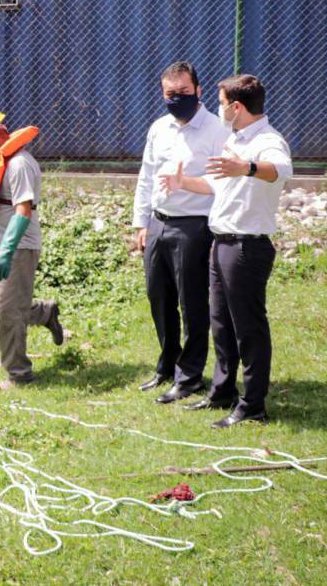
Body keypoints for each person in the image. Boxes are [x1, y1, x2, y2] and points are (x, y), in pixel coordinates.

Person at [160, 74, 292, 428]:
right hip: (222, 242)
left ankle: (253, 405)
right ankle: (222, 391)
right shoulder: (235, 139)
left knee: (248, 327)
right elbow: (215, 185)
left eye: (220, 103)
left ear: (236, 107)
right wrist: (181, 183)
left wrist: (246, 167)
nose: (217, 109)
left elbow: (281, 170)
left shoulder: (267, 140)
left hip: (247, 246)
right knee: (220, 322)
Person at [132, 61, 230, 404]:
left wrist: (186, 184)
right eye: (170, 94)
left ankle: (189, 377)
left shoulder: (217, 131)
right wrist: (141, 223)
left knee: (192, 303)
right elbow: (146, 177)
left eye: (184, 93)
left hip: (194, 225)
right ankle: (167, 365)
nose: (176, 99)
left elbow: (224, 182)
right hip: (159, 223)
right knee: (158, 297)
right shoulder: (159, 128)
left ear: (198, 91)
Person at [0, 106, 65, 388]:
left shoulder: (20, 164)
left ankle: (19, 375)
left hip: (17, 249)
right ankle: (45, 313)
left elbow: (22, 211)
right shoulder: (3, 161)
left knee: (8, 313)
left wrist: (7, 252)